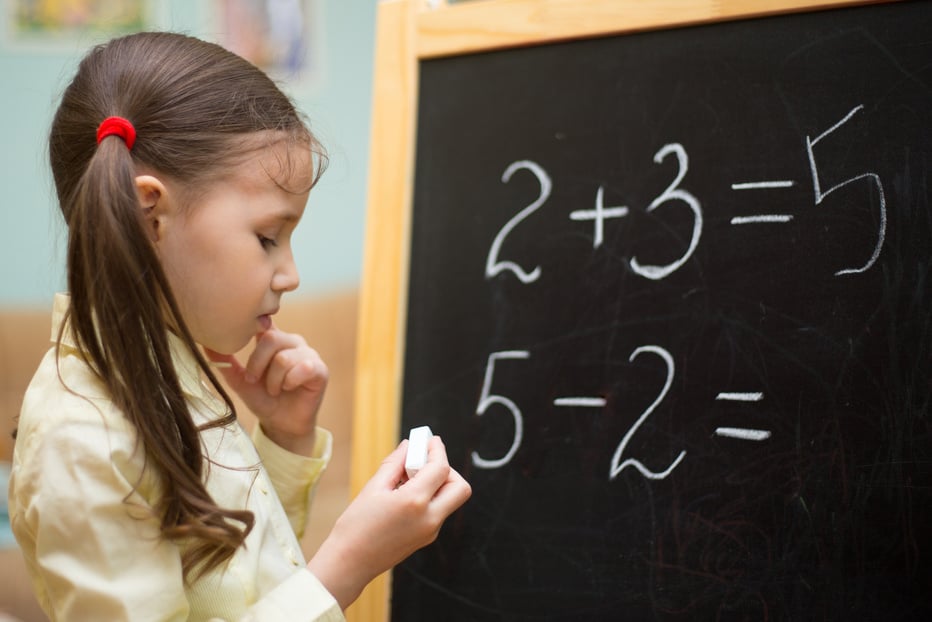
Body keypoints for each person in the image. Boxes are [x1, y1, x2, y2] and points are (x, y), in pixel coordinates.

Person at [7, 31, 471, 621]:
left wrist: (283, 439)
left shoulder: (172, 364)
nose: (291, 275)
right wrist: (347, 565)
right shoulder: (80, 439)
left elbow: (236, 579)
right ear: (151, 216)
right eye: (267, 238)